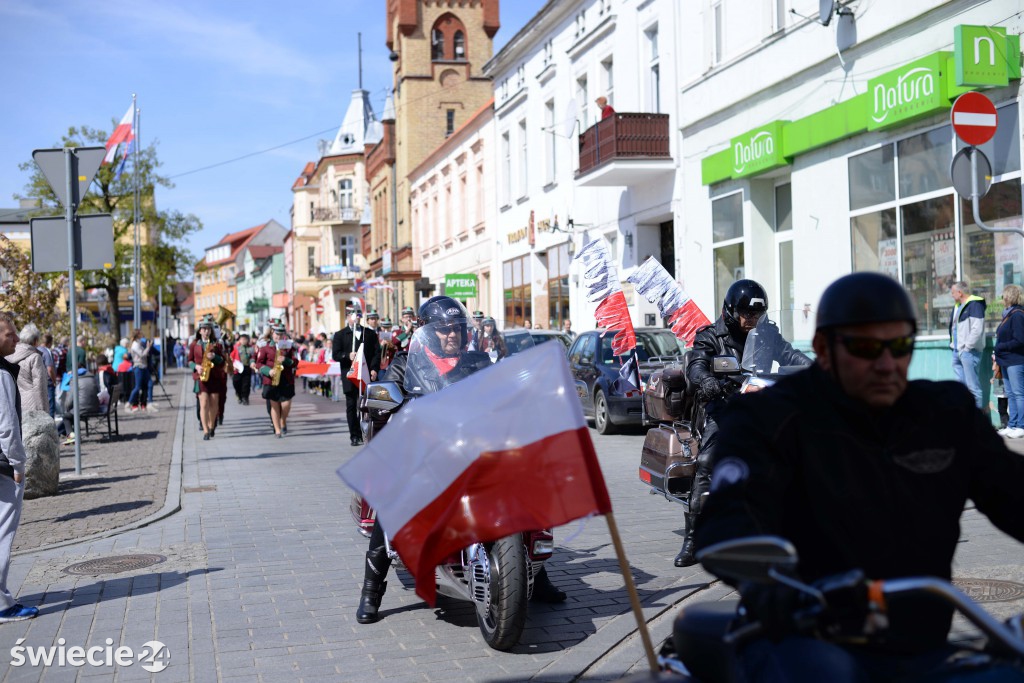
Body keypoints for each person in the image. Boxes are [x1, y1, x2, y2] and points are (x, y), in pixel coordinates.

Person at [695, 272, 1024, 681]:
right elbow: (727, 520)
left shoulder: (945, 415)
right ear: (823, 349)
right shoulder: (769, 419)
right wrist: (773, 586)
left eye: (899, 345)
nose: (887, 364)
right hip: (808, 637)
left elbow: (1014, 493)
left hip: (920, 642)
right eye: (867, 348)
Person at [355, 296, 565, 624]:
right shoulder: (403, 364)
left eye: (457, 328)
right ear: (427, 331)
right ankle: (371, 590)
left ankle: (535, 575)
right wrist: (393, 403)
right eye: (443, 329)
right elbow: (387, 398)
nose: (452, 334)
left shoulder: (479, 361)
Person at [676, 279, 810, 568]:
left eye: (757, 315)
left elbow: (789, 355)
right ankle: (691, 538)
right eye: (747, 314)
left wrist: (817, 370)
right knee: (709, 459)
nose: (752, 320)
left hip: (758, 402)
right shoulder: (711, 336)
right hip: (722, 406)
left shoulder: (766, 334)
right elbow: (697, 364)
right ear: (730, 311)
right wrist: (707, 380)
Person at [0, 313, 38, 622]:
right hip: (2, 465)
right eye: (10, 334)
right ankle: (2, 604)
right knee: (2, 533)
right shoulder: (1, 373)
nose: (15, 339)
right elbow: (7, 426)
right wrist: (17, 463)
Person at [332, 308, 380, 447]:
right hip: (350, 375)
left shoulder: (369, 333)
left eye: (359, 316)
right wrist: (347, 356)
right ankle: (354, 435)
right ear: (347, 317)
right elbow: (336, 354)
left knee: (366, 405)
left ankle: (365, 432)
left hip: (365, 375)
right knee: (352, 405)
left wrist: (374, 369)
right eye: (353, 316)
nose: (356, 318)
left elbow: (376, 353)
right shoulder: (340, 334)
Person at [254, 325, 298, 438]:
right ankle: (277, 430)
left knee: (286, 404)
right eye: (277, 334)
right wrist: (268, 371)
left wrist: (286, 360)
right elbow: (259, 363)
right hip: (271, 379)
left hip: (286, 379)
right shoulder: (265, 347)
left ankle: (283, 420)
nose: (279, 336)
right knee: (274, 405)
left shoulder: (289, 346)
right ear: (272, 334)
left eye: (281, 334)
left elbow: (295, 361)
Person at [949, 280, 986, 409]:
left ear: (960, 292)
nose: (951, 295)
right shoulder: (959, 305)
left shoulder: (975, 304)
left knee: (973, 388)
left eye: (953, 292)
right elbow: (955, 328)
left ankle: (976, 424)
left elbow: (977, 329)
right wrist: (954, 347)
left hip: (969, 352)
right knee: (962, 389)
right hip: (957, 351)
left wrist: (967, 348)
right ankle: (965, 421)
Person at [994, 283, 1024, 439]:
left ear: (1009, 296)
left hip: (1015, 360)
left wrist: (1001, 347)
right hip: (1006, 360)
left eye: (1003, 296)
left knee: (1019, 394)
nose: (1002, 299)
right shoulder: (1008, 314)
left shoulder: (1017, 314)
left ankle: (1021, 425)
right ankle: (1012, 425)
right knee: (1011, 394)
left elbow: (1020, 340)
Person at [189, 320, 226, 440]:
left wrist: (215, 357)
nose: (206, 331)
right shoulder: (195, 344)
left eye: (208, 329)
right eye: (204, 329)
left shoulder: (216, 344)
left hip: (214, 377)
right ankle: (205, 430)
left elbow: (222, 361)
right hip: (201, 377)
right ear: (200, 331)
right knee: (204, 404)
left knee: (214, 404)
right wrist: (196, 366)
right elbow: (189, 361)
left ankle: (211, 425)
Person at [58, 358, 101, 447]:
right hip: (95, 407)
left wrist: (67, 408)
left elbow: (69, 400)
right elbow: (97, 391)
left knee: (66, 416)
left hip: (81, 410)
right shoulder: (92, 377)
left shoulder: (74, 379)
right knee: (72, 413)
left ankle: (71, 436)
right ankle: (73, 435)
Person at [6, 323, 47, 415]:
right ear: (36, 340)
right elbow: (39, 388)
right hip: (33, 405)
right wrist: (44, 413)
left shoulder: (8, 355)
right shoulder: (35, 357)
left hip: (14, 402)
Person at [127, 330, 152, 412]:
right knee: (137, 387)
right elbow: (142, 354)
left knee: (150, 384)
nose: (143, 335)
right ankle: (129, 403)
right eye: (141, 334)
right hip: (139, 366)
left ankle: (150, 403)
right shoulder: (135, 345)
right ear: (138, 335)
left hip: (144, 366)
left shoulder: (139, 343)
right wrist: (148, 347)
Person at [37, 334, 57, 417]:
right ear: (49, 343)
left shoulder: (36, 350)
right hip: (48, 382)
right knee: (50, 407)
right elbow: (50, 369)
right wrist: (54, 381)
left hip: (37, 382)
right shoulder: (47, 351)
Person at [230, 333, 254, 405]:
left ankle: (245, 398)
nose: (243, 341)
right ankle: (239, 394)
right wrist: (232, 365)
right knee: (236, 382)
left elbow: (252, 357)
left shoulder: (251, 348)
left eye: (245, 339)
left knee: (246, 384)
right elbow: (231, 356)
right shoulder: (236, 347)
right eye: (242, 339)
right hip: (237, 368)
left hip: (247, 368)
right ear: (239, 340)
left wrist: (253, 363)